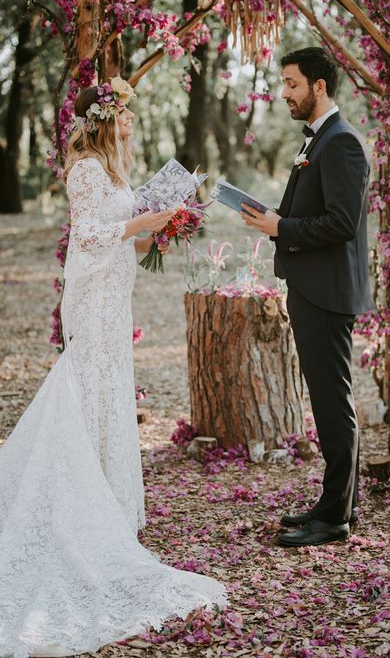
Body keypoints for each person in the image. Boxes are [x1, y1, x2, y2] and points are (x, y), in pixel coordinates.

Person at [0, 77, 226, 657]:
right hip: (91, 297)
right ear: (104, 118)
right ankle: (79, 497)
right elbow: (89, 234)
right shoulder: (84, 169)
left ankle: (105, 497)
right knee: (87, 384)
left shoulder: (118, 172)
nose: (130, 119)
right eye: (123, 112)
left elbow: (120, 230)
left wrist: (162, 227)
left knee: (108, 387)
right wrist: (139, 226)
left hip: (114, 293)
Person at [241, 47, 373, 547]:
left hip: (328, 292)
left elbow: (342, 223)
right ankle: (335, 501)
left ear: (319, 86)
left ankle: (336, 518)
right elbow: (310, 210)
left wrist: (284, 227)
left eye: (292, 84)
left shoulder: (341, 143)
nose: (285, 93)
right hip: (311, 287)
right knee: (326, 399)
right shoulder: (319, 142)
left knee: (333, 402)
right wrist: (271, 220)